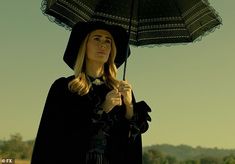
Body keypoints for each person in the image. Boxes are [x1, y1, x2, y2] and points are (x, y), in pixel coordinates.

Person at [31, 21, 151, 164]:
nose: (103, 45)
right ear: (84, 45)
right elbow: (53, 138)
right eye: (96, 39)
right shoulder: (64, 88)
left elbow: (128, 144)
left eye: (108, 41)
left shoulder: (120, 90)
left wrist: (129, 107)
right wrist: (103, 109)